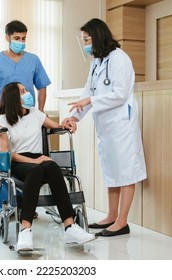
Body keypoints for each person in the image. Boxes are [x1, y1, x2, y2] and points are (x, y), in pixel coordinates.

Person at [61, 18, 147, 237]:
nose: (85, 44)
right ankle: (111, 215)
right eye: (83, 40)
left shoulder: (120, 59)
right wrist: (74, 118)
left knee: (126, 172)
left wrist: (90, 101)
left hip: (121, 126)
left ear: (98, 36)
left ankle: (122, 221)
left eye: (88, 39)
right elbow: (87, 92)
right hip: (107, 127)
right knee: (112, 171)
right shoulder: (97, 62)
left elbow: (119, 94)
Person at [0, 82, 95, 251]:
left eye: (26, 89)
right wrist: (34, 161)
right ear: (13, 97)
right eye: (22, 91)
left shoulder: (35, 113)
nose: (27, 93)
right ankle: (25, 230)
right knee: (37, 169)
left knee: (52, 166)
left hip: (38, 159)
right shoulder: (3, 120)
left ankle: (70, 227)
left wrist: (68, 123)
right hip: (18, 161)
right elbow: (6, 153)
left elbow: (57, 126)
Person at [0, 20, 51, 122]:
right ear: (7, 38)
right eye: (16, 38)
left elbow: (42, 87)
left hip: (28, 114)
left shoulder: (33, 60)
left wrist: (41, 110)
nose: (21, 42)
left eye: (23, 38)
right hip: (3, 116)